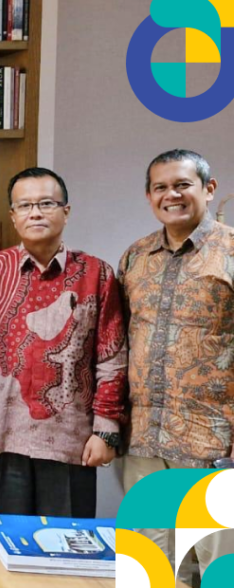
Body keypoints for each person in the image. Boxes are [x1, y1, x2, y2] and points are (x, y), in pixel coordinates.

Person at [0, 167, 126, 518]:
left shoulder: (97, 274)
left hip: (72, 440)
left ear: (66, 211)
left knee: (67, 549)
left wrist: (106, 430)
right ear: (13, 216)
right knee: (8, 547)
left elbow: (111, 357)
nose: (35, 212)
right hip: (3, 435)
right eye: (25, 206)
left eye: (47, 203)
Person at [119, 149, 234, 583]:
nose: (172, 195)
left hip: (213, 445)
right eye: (161, 187)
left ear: (209, 188)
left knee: (218, 571)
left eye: (182, 184)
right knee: (150, 572)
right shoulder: (136, 257)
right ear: (149, 196)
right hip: (145, 444)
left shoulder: (230, 250)